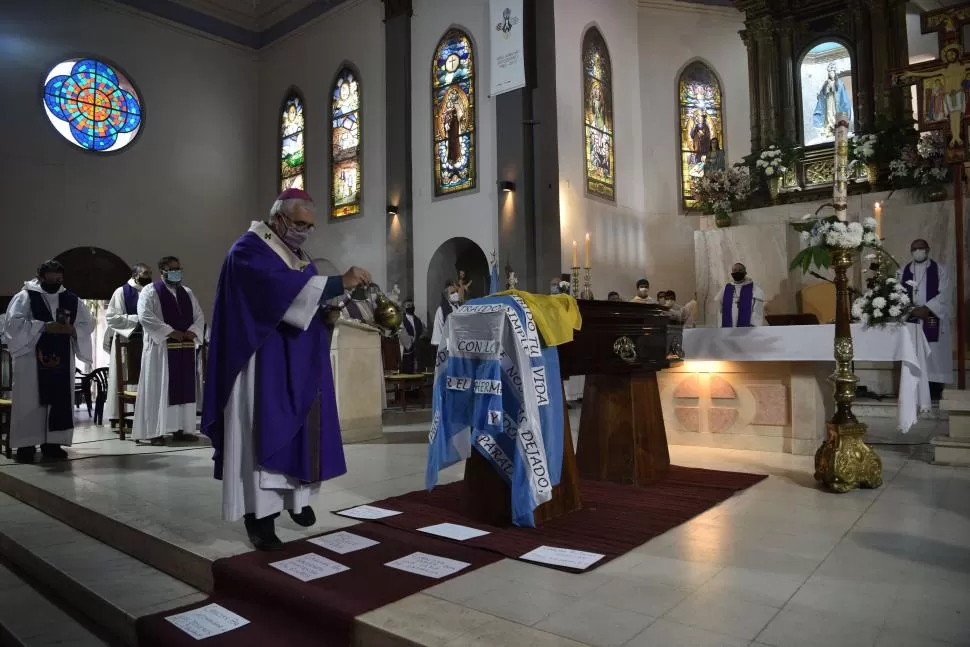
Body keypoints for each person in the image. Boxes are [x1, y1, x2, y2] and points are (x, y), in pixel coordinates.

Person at [202, 188, 371, 551]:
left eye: (310, 226)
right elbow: (279, 292)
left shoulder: (297, 254)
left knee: (301, 434)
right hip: (262, 362)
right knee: (263, 435)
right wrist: (340, 281)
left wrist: (327, 310)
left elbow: (305, 299)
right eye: (299, 224)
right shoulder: (248, 250)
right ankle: (259, 518)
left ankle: (295, 502)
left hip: (297, 358)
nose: (305, 232)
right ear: (278, 219)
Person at [3, 260, 94, 463]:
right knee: (30, 400)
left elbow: (87, 323)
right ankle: (25, 446)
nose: (56, 282)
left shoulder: (71, 298)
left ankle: (53, 444)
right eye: (52, 278)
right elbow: (13, 324)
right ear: (41, 277)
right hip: (30, 359)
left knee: (58, 400)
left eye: (59, 278)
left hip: (62, 358)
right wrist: (43, 327)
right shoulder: (25, 296)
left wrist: (73, 330)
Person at [132, 257, 205, 445]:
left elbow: (199, 316)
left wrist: (192, 331)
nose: (177, 272)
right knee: (159, 389)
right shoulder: (150, 291)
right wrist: (170, 331)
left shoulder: (187, 292)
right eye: (172, 269)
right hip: (160, 351)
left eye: (179, 269)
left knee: (183, 388)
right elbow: (145, 316)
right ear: (162, 271)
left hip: (184, 349)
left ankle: (182, 429)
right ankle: (155, 432)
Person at [899, 239, 951, 401]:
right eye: (914, 249)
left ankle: (934, 390)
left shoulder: (940, 270)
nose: (918, 251)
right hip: (912, 319)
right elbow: (897, 295)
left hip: (932, 318)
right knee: (913, 353)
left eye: (921, 248)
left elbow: (945, 294)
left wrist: (927, 308)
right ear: (911, 251)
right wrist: (912, 310)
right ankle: (913, 390)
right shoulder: (902, 272)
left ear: (927, 250)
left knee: (933, 355)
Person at [104, 263, 152, 425]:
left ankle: (144, 414)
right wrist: (138, 320)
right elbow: (112, 317)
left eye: (150, 273)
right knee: (125, 375)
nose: (148, 277)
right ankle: (121, 414)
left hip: (148, 343)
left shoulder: (152, 292)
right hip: (127, 341)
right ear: (135, 275)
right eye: (145, 273)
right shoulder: (122, 291)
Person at [718, 263, 765, 327]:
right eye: (734, 270)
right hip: (729, 327)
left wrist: (754, 325)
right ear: (732, 272)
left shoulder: (754, 289)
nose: (737, 272)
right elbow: (720, 310)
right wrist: (720, 325)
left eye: (740, 270)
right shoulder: (726, 288)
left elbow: (757, 311)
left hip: (748, 329)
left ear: (745, 272)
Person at [431, 280, 460, 350]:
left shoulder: (461, 307)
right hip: (448, 346)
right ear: (447, 295)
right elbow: (438, 329)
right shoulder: (442, 309)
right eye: (452, 293)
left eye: (456, 292)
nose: (456, 294)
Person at [399, 299, 424, 374]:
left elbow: (422, 331)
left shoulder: (418, 319)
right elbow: (400, 332)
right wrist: (409, 340)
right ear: (404, 308)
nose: (411, 307)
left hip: (416, 348)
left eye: (412, 306)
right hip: (406, 348)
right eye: (408, 306)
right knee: (406, 368)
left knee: (416, 368)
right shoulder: (401, 320)